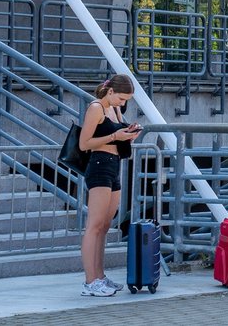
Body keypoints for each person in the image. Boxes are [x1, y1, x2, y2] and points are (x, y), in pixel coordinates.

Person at [78, 74, 142, 297]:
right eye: (121, 98)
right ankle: (89, 281)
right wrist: (115, 134)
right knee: (94, 226)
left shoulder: (114, 109)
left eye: (127, 100)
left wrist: (128, 134)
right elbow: (84, 143)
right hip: (99, 165)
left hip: (114, 165)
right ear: (111, 91)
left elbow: (114, 137)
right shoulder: (96, 108)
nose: (123, 104)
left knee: (105, 226)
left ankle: (100, 276)